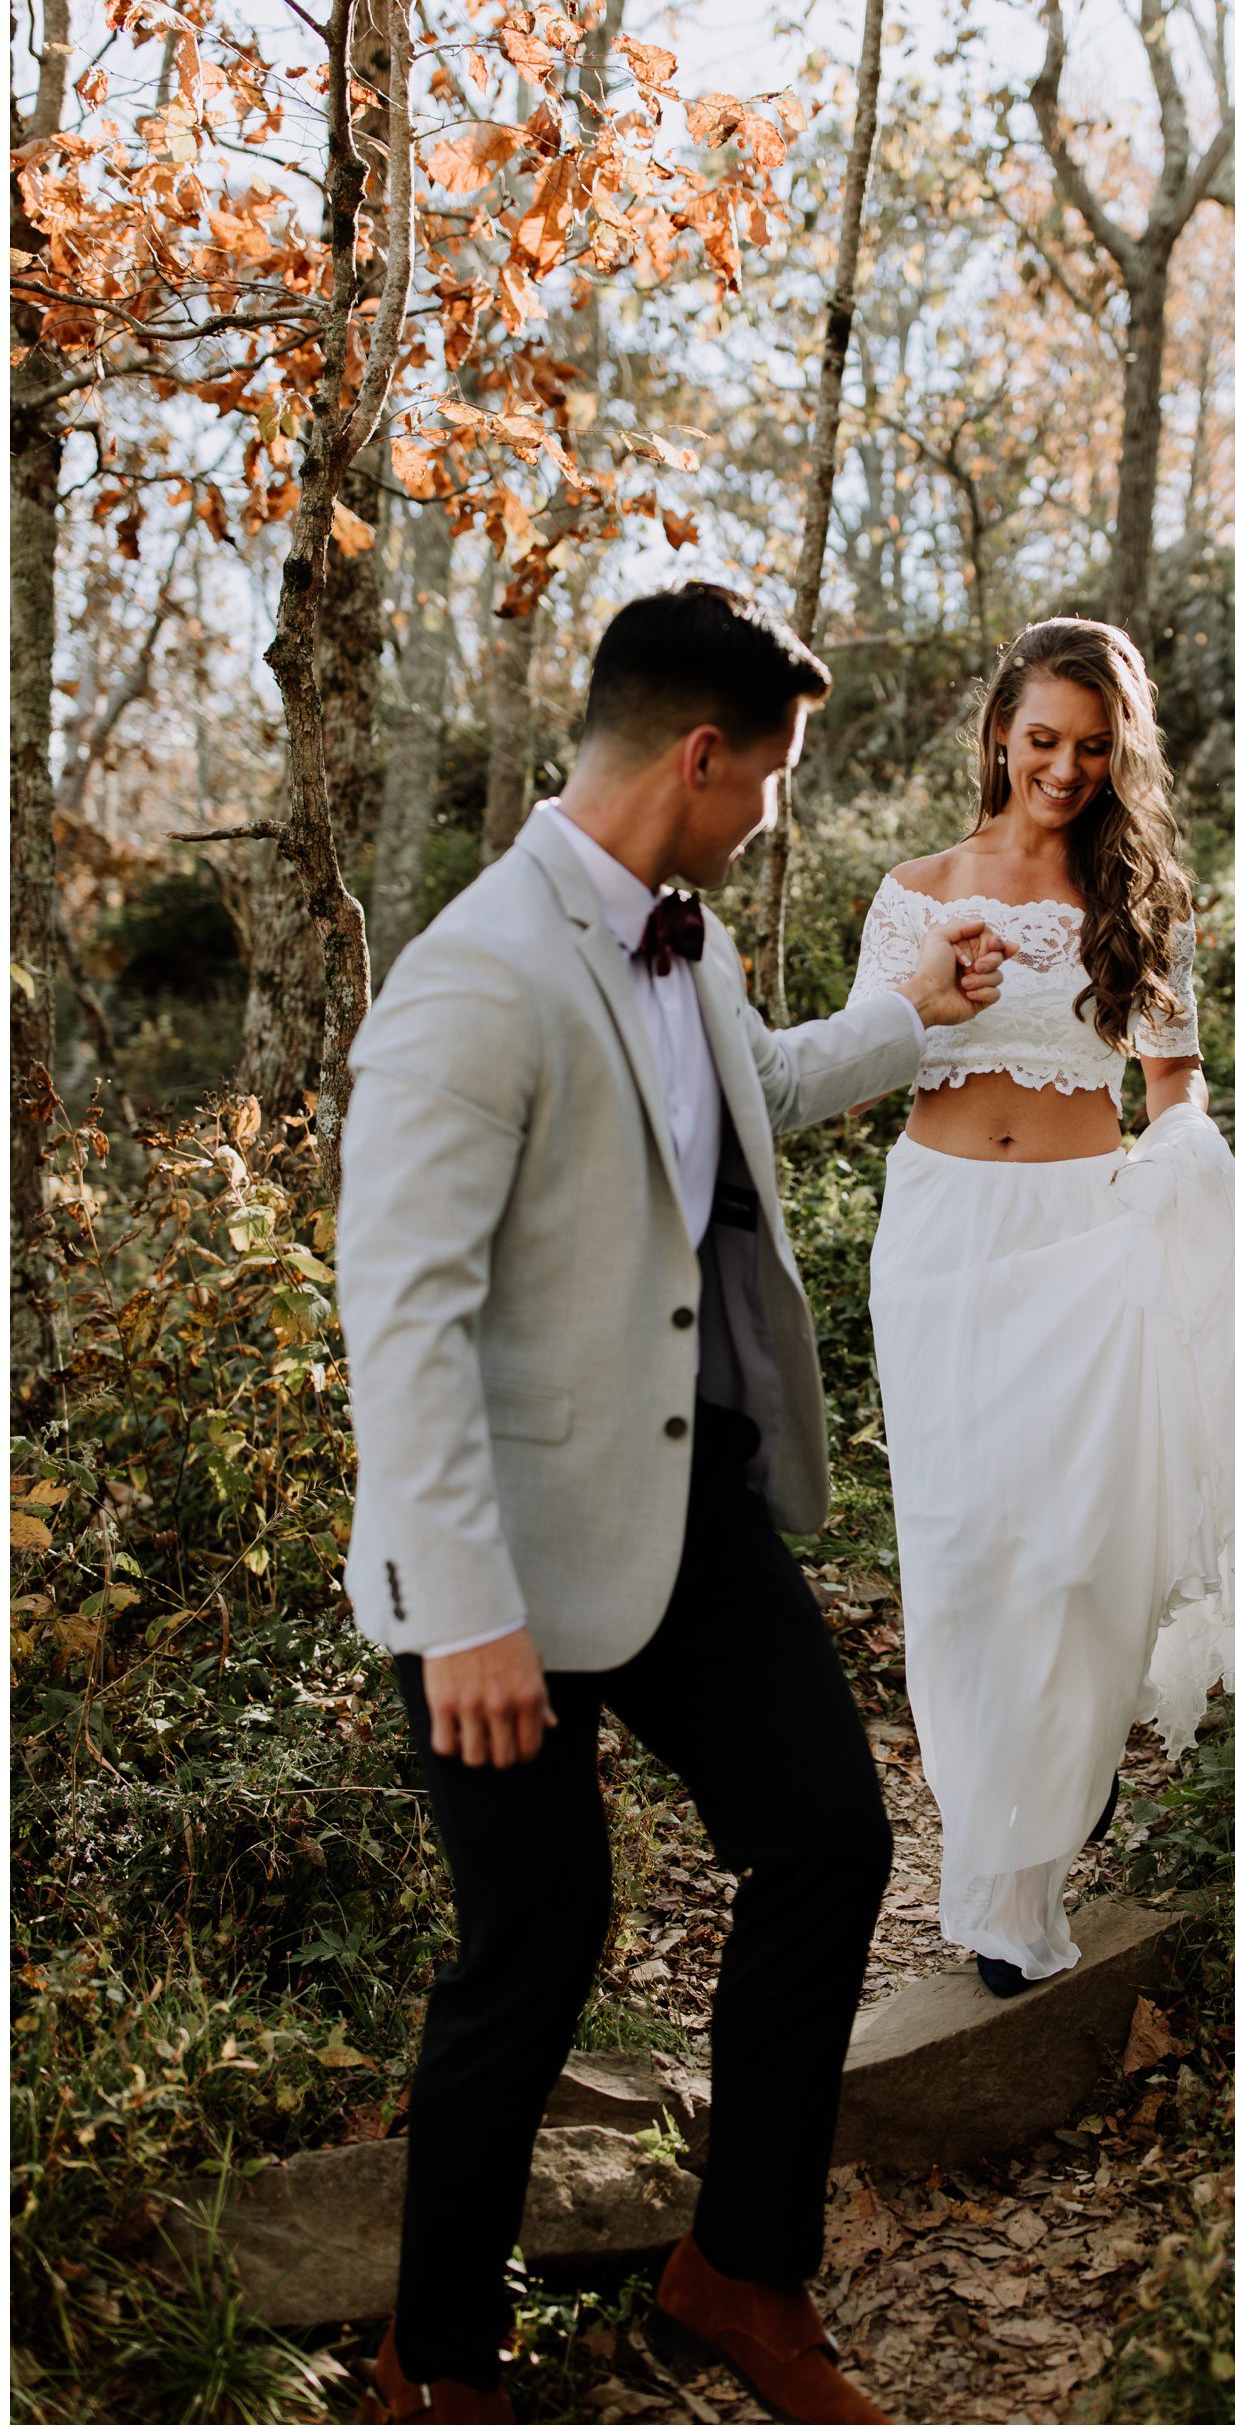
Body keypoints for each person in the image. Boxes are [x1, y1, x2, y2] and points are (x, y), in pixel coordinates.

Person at [337, 582, 1009, 2426]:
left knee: (828, 1844)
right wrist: (466, 1608)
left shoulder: (680, 937)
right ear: (700, 755)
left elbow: (748, 1096)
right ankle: (435, 2367)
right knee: (532, 1952)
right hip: (498, 1562)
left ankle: (736, 2273)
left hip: (692, 1507)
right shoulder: (473, 978)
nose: (774, 814)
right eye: (773, 780)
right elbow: (400, 1319)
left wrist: (907, 1017)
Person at [848, 615, 1235, 1997]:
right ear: (998, 733)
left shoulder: (1143, 902)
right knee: (962, 1555)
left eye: (1090, 747)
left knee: (1075, 1558)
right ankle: (997, 1818)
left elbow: (1174, 1085)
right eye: (1041, 741)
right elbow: (862, 1055)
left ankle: (1021, 1874)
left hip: (1084, 1236)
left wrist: (1174, 1170)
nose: (1063, 769)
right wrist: (926, 995)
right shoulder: (914, 890)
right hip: (942, 1237)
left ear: (1120, 754)